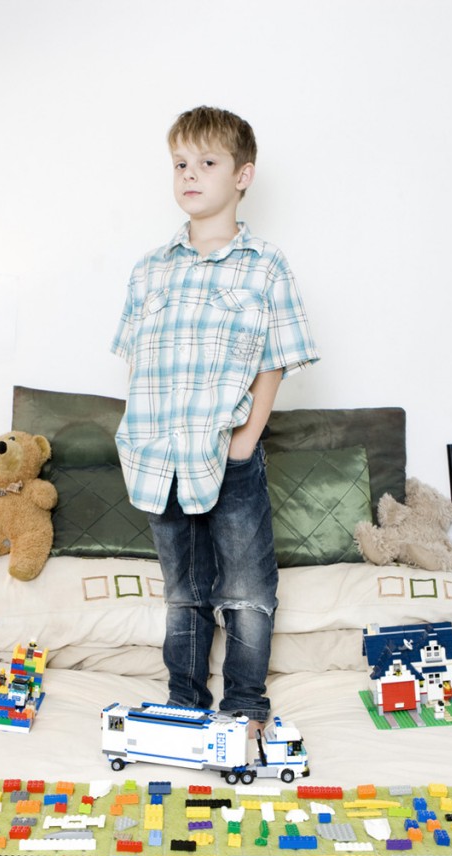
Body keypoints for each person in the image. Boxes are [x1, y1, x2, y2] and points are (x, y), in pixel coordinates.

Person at [111, 105, 319, 732]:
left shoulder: (264, 264)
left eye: (207, 162)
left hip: (227, 453)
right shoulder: (150, 268)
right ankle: (185, 699)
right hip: (160, 459)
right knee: (184, 592)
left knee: (247, 590)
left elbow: (276, 359)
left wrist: (245, 440)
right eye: (180, 164)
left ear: (242, 175)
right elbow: (137, 360)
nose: (190, 175)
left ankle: (246, 704)